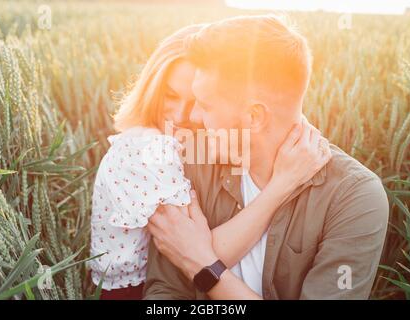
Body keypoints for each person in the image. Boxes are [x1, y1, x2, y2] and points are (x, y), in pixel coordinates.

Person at [144, 15, 389, 300]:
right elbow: (163, 292)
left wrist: (204, 268)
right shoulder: (191, 162)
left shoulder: (354, 197)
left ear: (254, 116)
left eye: (206, 105)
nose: (193, 117)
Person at [89, 23, 330, 300]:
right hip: (131, 294)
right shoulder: (147, 149)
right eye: (170, 96)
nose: (182, 114)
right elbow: (194, 254)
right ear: (152, 88)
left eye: (199, 101)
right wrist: (281, 186)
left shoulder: (185, 144)